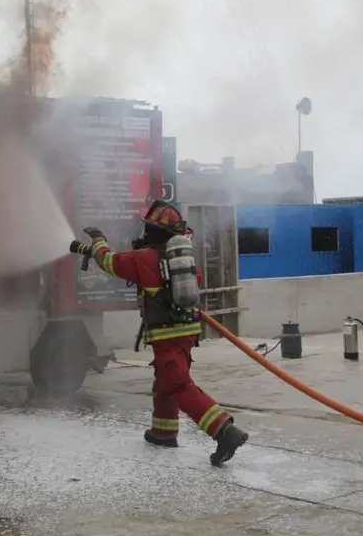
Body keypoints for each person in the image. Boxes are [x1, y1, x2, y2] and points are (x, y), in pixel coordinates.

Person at [69, 200, 249, 467]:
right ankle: (163, 432)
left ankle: (225, 431)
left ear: (153, 232)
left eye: (147, 228)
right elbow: (193, 279)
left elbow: (108, 261)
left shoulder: (143, 260)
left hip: (166, 333)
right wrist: (86, 249)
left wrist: (98, 239)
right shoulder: (178, 260)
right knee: (166, 380)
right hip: (186, 331)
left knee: (177, 384)